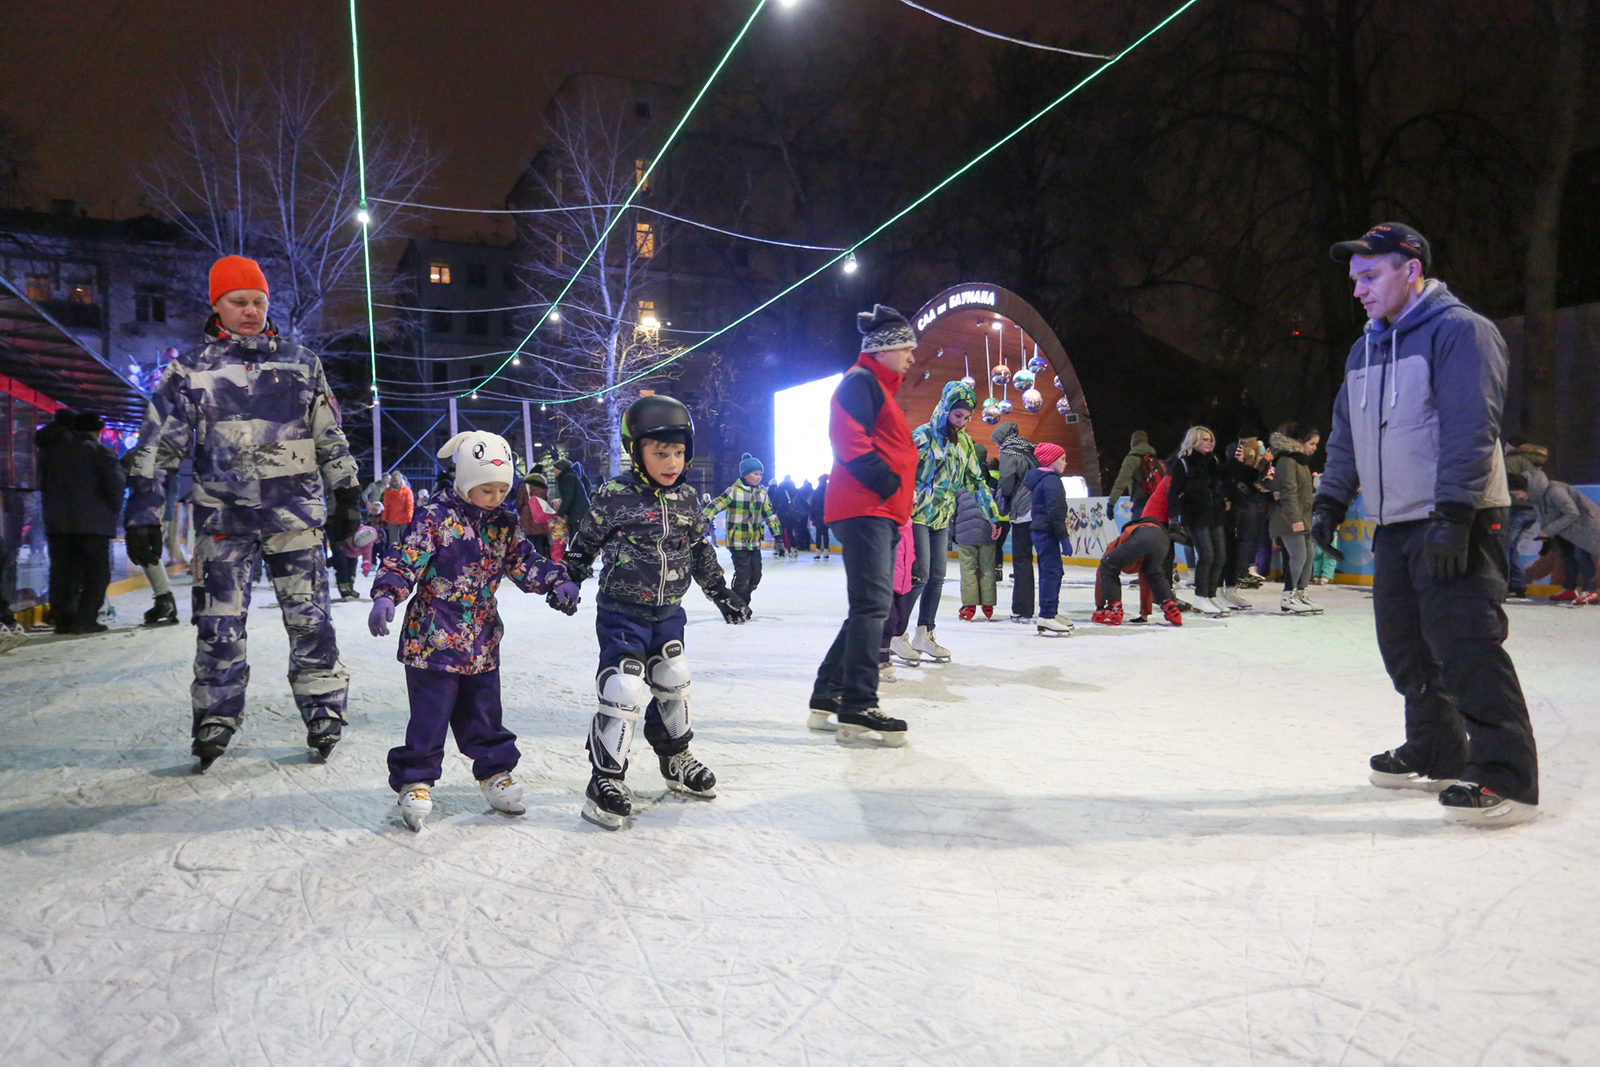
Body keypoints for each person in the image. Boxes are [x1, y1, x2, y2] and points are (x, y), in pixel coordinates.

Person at [1317, 221, 1537, 825]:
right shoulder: (1365, 348)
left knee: (1467, 646)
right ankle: (1437, 746)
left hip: (1458, 516)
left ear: (1410, 269)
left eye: (1369, 276)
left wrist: (1454, 515)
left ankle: (1506, 777)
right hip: (1396, 522)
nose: (1358, 289)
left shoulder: (1460, 331)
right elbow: (1347, 433)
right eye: (1354, 279)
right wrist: (1330, 500)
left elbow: (1472, 426)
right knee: (1407, 648)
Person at [122, 255, 365, 771]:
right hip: (223, 521)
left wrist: (347, 493)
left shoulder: (300, 364)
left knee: (311, 621)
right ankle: (216, 716)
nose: (251, 311)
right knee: (219, 625)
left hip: (295, 516)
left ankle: (324, 710)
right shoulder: (190, 371)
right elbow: (157, 447)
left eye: (258, 301)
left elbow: (329, 434)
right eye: (239, 301)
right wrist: (142, 512)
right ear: (217, 306)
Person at [367, 431, 578, 831]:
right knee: (430, 718)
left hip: (481, 640)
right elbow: (404, 558)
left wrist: (556, 581)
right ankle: (416, 779)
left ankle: (495, 773)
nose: (496, 496)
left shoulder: (503, 525)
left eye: (502, 488)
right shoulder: (435, 517)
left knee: (484, 714)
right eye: (487, 489)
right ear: (465, 482)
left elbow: (525, 562)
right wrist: (386, 596)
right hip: (431, 641)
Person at [563, 395, 750, 830]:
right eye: (659, 452)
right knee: (625, 687)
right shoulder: (614, 495)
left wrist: (722, 593)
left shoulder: (686, 499)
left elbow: (701, 551)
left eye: (679, 452)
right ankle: (605, 778)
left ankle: (675, 758)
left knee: (673, 678)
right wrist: (568, 580)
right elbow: (584, 543)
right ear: (636, 452)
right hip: (621, 611)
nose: (671, 461)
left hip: (668, 611)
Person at [809, 305, 920, 746]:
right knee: (873, 606)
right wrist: (887, 482)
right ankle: (858, 705)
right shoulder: (861, 381)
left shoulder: (878, 387)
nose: (912, 358)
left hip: (877, 509)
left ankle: (828, 694)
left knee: (867, 607)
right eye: (907, 349)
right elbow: (847, 437)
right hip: (866, 507)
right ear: (887, 349)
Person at [894, 380, 1000, 662]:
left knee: (938, 578)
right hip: (916, 516)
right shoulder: (922, 436)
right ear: (944, 409)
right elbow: (898, 470)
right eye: (957, 416)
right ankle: (895, 634)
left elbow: (977, 482)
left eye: (966, 418)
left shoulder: (964, 443)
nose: (961, 423)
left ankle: (924, 633)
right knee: (920, 575)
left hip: (942, 519)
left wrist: (992, 515)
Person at [40, 412, 124, 634]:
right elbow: (115, 487)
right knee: (96, 573)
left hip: (58, 525)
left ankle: (63, 620)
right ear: (97, 431)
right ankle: (85, 618)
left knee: (63, 573)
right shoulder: (101, 452)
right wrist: (112, 510)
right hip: (93, 525)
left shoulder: (53, 453)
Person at [703, 452, 783, 612]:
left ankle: (741, 598)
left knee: (756, 576)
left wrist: (778, 538)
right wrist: (704, 518)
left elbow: (770, 515)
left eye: (761, 474)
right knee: (743, 575)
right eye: (755, 473)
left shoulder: (762, 493)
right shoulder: (734, 491)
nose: (759, 477)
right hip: (737, 541)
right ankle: (741, 605)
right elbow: (716, 504)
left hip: (754, 542)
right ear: (745, 474)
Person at [1166, 426, 1230, 616]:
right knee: (1207, 555)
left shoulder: (1214, 461)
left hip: (1215, 515)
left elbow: (1223, 483)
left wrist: (1224, 500)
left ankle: (1210, 595)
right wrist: (1174, 516)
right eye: (1204, 439)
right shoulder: (1184, 463)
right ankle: (1201, 596)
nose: (1209, 442)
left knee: (1220, 556)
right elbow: (1173, 493)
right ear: (1194, 441)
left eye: (1210, 439)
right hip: (1195, 516)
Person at [1511, 469, 1600, 604]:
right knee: (1566, 556)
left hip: (1584, 526)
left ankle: (1590, 591)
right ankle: (1570, 589)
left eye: (1517, 494)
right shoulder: (1536, 498)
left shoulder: (1554, 491)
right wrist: (1546, 538)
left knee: (1582, 556)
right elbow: (1545, 517)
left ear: (1526, 488)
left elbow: (1572, 513)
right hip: (1565, 530)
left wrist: (1548, 531)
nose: (1518, 498)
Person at [1269, 423, 1324, 614]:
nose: (1314, 448)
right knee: (1299, 555)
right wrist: (1294, 518)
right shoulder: (1287, 461)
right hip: (1288, 518)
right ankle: (1288, 596)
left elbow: (1304, 493)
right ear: (1299, 442)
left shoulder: (1301, 462)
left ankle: (1301, 592)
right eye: (1311, 443)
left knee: (1308, 555)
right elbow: (1288, 492)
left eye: (1316, 444)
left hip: (1304, 517)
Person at [1092, 514, 1184, 627]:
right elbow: (1145, 581)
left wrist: (1100, 606)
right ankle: (1171, 608)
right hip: (1163, 540)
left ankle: (1113, 610)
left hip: (1144, 537)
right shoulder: (1147, 531)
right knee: (1153, 573)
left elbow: (1102, 569)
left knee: (1108, 562)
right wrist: (1144, 614)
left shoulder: (1126, 534)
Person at [1023, 442, 1075, 634]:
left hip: (1042, 531)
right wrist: (1063, 538)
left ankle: (1051, 612)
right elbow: (1055, 511)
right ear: (1051, 461)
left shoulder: (1043, 479)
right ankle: (1046, 615)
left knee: (1052, 572)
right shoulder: (1051, 480)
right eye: (1062, 459)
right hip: (1048, 532)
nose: (1065, 463)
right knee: (1051, 573)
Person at [991, 421, 1038, 622]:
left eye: (996, 442)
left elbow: (1007, 483)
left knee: (1022, 560)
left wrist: (1003, 500)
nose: (996, 447)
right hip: (1041, 508)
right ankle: (1048, 607)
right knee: (1043, 561)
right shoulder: (1030, 448)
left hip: (1024, 511)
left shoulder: (1010, 452)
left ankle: (1022, 609)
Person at [1501, 441, 1549, 597]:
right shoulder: (1535, 464)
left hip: (1515, 508)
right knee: (1512, 547)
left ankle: (1504, 585)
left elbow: (1504, 482)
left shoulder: (1512, 460)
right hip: (1532, 511)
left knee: (1503, 548)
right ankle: (1517, 584)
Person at [952, 484, 998, 620]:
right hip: (987, 535)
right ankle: (988, 605)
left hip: (965, 536)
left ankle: (969, 605)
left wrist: (953, 534)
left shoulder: (959, 491)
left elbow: (953, 513)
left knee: (968, 570)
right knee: (988, 569)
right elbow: (998, 511)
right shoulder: (991, 490)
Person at [1107, 430, 1163, 518]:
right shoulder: (1154, 460)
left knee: (1137, 529)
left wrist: (1111, 504)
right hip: (1157, 504)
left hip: (1140, 503)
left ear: (1133, 442)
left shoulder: (1132, 459)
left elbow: (1121, 482)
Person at [514, 471, 556, 557]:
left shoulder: (525, 485)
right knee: (540, 543)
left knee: (528, 543)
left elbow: (519, 501)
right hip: (540, 515)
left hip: (527, 516)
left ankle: (529, 561)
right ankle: (543, 561)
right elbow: (546, 500)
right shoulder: (544, 487)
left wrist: (522, 511)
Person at [552, 458, 589, 549]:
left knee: (575, 537)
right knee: (576, 536)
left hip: (577, 513)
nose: (553, 471)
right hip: (578, 512)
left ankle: (576, 557)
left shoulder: (567, 478)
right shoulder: (570, 476)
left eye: (555, 468)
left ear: (560, 469)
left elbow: (568, 497)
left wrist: (560, 514)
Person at [380, 471, 413, 546]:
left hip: (404, 519)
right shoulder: (388, 491)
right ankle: (394, 555)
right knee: (393, 540)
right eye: (393, 481)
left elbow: (409, 505)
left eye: (396, 481)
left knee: (406, 539)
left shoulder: (407, 491)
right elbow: (386, 506)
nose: (395, 483)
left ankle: (406, 556)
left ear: (400, 480)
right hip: (392, 519)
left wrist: (409, 518)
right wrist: (384, 518)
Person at [809, 475, 831, 558]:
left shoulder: (816, 491)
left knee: (818, 533)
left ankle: (818, 551)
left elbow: (812, 504)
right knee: (825, 534)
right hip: (826, 515)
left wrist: (812, 516)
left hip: (818, 515)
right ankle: (826, 551)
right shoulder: (828, 490)